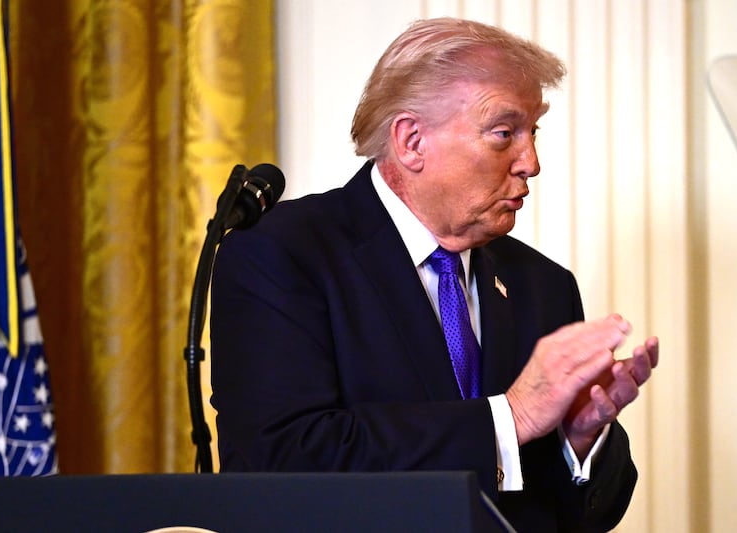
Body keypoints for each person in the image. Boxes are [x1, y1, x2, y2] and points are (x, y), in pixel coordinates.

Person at [211, 17, 658, 532]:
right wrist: (508, 419)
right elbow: (284, 460)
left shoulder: (545, 285)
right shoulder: (281, 254)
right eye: (503, 133)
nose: (531, 162)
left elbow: (579, 517)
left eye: (532, 132)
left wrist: (578, 442)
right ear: (412, 140)